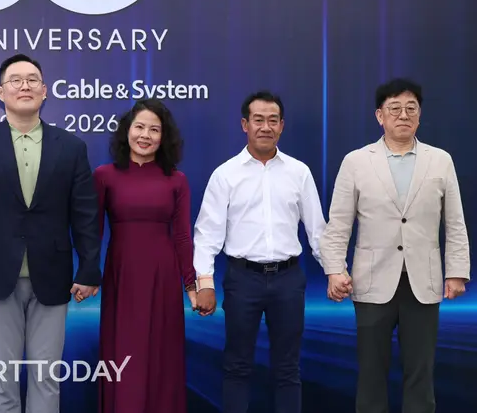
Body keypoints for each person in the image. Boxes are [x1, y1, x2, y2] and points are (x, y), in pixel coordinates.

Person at [0, 53, 102, 413]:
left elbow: (86, 215)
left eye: (32, 80)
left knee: (46, 376)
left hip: (53, 273)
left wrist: (89, 268)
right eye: (15, 80)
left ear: (45, 91)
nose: (24, 86)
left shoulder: (71, 146)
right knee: (2, 376)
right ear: (0, 92)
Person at [319, 78, 470, 413]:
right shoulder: (356, 161)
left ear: (419, 115)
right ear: (380, 115)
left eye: (411, 108)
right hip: (372, 281)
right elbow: (339, 223)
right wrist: (334, 270)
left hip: (423, 282)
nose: (403, 115)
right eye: (395, 108)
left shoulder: (440, 160)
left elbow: (455, 222)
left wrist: (457, 272)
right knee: (371, 373)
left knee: (420, 373)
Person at [193, 90, 327, 413]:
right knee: (237, 365)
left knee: (288, 368)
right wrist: (205, 282)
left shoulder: (299, 172)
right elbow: (207, 233)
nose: (265, 127)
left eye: (272, 120)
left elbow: (317, 230)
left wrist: (334, 270)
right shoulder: (225, 174)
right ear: (245, 125)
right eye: (258, 120)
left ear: (282, 126)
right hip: (243, 279)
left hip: (288, 279)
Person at [93, 99, 196, 413]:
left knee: (162, 354)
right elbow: (93, 231)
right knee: (124, 354)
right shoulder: (104, 176)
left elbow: (182, 235)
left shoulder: (177, 179)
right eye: (139, 127)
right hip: (121, 274)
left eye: (154, 130)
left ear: (164, 138)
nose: (145, 135)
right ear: (127, 131)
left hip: (163, 277)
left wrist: (191, 284)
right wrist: (88, 275)